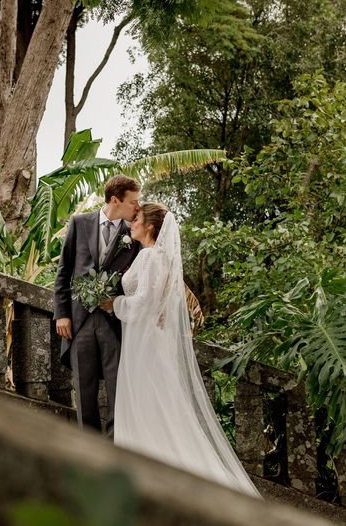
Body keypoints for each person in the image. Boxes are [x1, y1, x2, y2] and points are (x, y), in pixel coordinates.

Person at [100, 203, 260, 497]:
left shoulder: (149, 256)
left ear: (150, 227)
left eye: (136, 219)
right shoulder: (161, 258)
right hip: (150, 341)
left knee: (145, 404)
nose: (131, 223)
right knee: (158, 406)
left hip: (144, 344)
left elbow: (145, 304)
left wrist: (114, 305)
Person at [53, 174, 142, 436]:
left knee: (118, 389)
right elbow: (64, 272)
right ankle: (88, 450)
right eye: (133, 202)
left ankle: (116, 443)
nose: (137, 207)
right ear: (116, 200)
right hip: (79, 322)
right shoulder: (80, 223)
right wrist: (62, 315)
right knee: (84, 390)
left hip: (114, 322)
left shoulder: (134, 233)